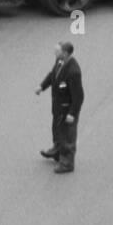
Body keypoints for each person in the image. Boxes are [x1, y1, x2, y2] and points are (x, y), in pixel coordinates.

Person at [36, 40, 83, 173]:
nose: (55, 52)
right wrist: (41, 86)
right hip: (58, 106)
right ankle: (57, 151)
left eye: (58, 50)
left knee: (67, 135)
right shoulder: (60, 61)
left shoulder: (74, 72)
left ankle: (67, 163)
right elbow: (53, 75)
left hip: (67, 109)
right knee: (57, 130)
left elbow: (79, 96)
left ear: (66, 53)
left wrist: (72, 114)